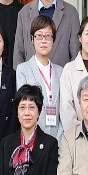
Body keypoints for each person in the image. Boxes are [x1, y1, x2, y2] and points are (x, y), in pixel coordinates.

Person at [13, 0, 79, 67]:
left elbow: (75, 54)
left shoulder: (71, 13)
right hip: (30, 77)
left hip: (62, 76)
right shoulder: (23, 13)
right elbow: (18, 54)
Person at [14, 14, 64, 143]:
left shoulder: (61, 71)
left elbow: (65, 109)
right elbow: (24, 108)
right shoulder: (23, 70)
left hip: (58, 138)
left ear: (53, 40)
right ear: (32, 39)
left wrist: (58, 140)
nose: (44, 40)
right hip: (33, 139)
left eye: (48, 36)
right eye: (39, 36)